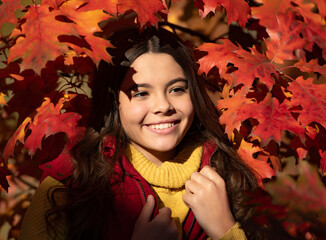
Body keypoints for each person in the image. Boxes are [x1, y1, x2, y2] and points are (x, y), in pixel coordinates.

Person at [19, 26, 260, 240]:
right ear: (114, 102)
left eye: (177, 89)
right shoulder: (71, 181)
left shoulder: (227, 174)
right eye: (141, 93)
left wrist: (226, 230)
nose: (164, 106)